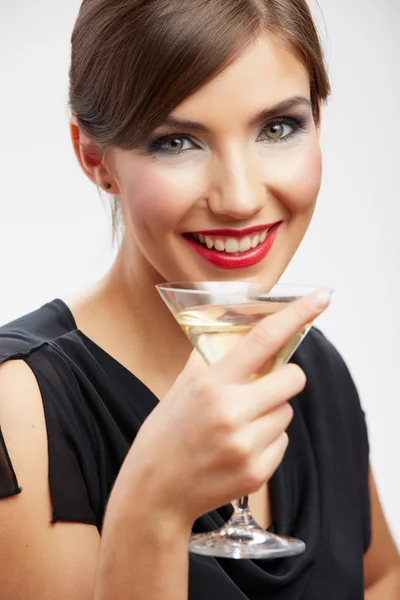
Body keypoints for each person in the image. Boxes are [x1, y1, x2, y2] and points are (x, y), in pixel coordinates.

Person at [0, 0, 399, 598]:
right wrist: (153, 510)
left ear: (319, 116)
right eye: (177, 142)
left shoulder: (315, 370)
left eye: (278, 128)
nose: (239, 198)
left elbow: (382, 577)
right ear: (94, 158)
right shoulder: (21, 407)